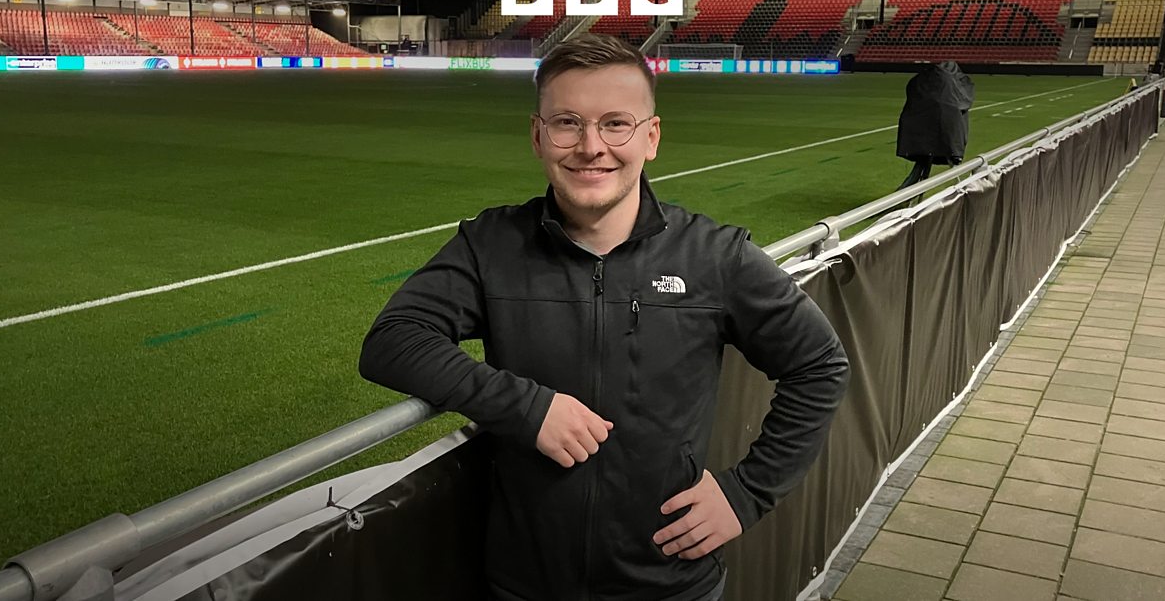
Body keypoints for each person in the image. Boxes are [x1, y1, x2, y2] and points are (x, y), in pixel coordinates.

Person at [359, 33, 849, 601]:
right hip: (523, 584)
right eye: (567, 123)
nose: (591, 147)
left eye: (616, 124)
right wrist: (527, 408)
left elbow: (820, 366)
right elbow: (393, 340)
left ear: (651, 137)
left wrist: (747, 493)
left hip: (672, 585)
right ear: (538, 136)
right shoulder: (492, 244)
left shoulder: (715, 257)